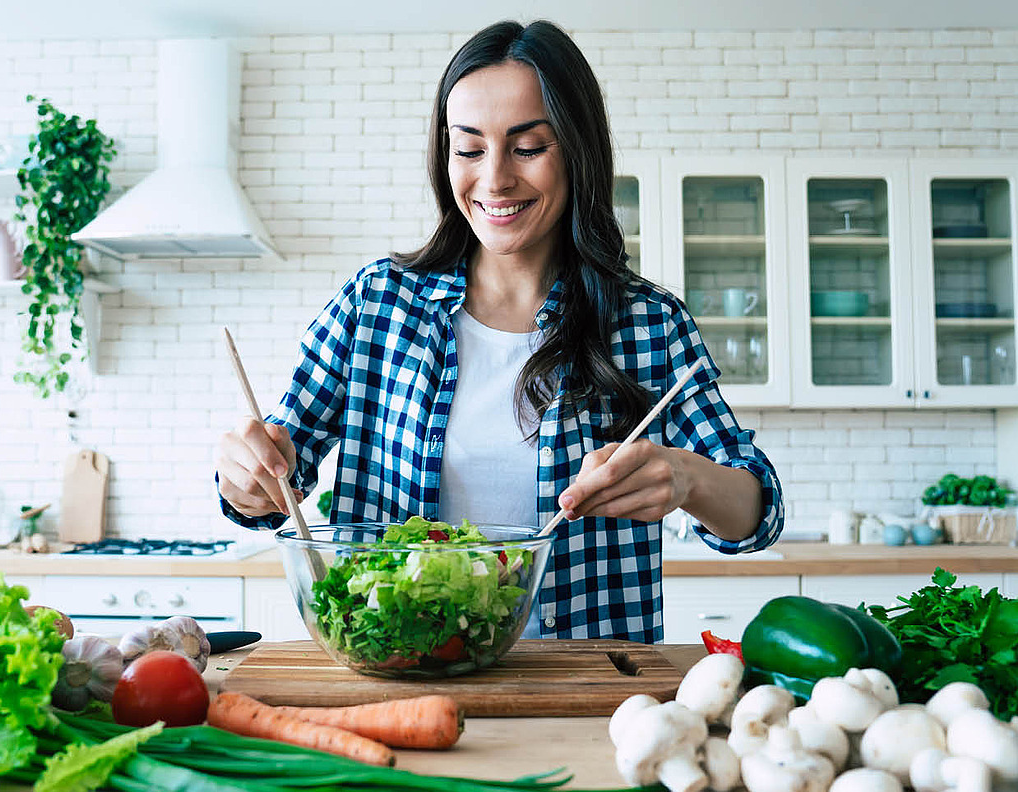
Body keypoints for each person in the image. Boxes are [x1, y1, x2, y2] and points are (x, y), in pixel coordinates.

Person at [216, 19, 784, 643]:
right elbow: (274, 476)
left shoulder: (649, 323)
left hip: (584, 692)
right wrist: (247, 480)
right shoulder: (375, 305)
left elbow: (757, 513)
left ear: (578, 151)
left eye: (528, 147)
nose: (495, 179)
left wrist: (687, 477)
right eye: (470, 148)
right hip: (399, 677)